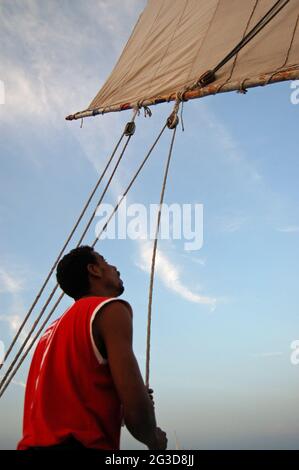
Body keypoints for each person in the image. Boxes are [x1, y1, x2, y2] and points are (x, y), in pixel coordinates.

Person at [17, 245, 167, 450]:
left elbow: (70, 401)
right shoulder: (110, 310)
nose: (115, 268)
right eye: (105, 261)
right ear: (94, 270)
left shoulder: (49, 333)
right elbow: (137, 413)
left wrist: (118, 406)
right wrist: (153, 439)